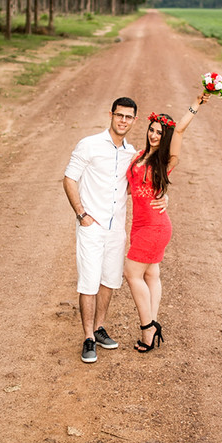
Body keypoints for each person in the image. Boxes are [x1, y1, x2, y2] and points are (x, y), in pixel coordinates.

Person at [123, 91, 208, 352]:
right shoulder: (138, 155)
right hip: (138, 225)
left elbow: (180, 131)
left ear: (166, 136)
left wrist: (196, 103)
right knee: (151, 273)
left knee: (131, 272)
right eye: (152, 130)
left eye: (160, 132)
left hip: (156, 226)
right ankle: (153, 323)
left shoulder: (165, 162)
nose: (154, 135)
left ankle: (148, 328)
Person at [63, 97, 142, 364]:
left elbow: (134, 188)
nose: (123, 121)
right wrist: (81, 214)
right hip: (91, 226)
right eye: (119, 115)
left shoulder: (131, 154)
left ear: (134, 120)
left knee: (109, 280)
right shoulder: (90, 145)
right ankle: (87, 337)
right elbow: (69, 178)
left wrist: (161, 197)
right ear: (111, 114)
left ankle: (98, 329)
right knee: (89, 281)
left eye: (128, 117)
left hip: (116, 228)